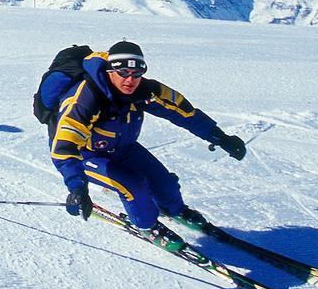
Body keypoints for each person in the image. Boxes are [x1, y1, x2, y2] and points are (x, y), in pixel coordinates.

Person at [50, 40, 247, 248]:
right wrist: (77, 188)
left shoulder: (146, 91)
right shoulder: (86, 98)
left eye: (136, 73)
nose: (130, 80)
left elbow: (183, 113)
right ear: (110, 71)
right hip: (86, 156)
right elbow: (64, 146)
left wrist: (221, 137)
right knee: (133, 186)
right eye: (123, 72)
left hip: (124, 148)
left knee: (165, 183)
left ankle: (175, 209)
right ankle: (147, 226)